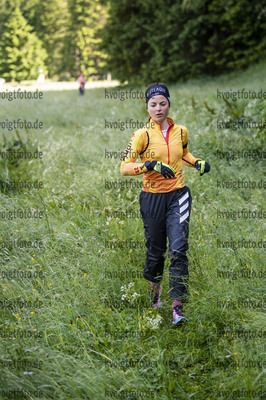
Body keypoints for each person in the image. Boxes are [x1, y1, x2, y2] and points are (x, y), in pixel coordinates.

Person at [120, 82, 210, 324]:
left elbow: (186, 154)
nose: (158, 108)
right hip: (152, 198)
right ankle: (154, 295)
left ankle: (177, 308)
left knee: (179, 248)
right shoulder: (141, 135)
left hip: (178, 195)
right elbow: (124, 167)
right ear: (147, 108)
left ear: (169, 104)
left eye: (162, 103)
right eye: (153, 104)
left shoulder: (181, 131)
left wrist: (198, 162)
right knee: (156, 250)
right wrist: (148, 165)